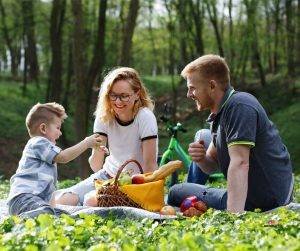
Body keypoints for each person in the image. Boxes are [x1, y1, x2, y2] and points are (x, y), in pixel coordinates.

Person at [168, 54, 294, 213]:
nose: (189, 94)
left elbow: (240, 163)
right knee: (203, 135)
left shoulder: (239, 107)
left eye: (192, 88)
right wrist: (201, 159)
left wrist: (234, 218)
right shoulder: (221, 112)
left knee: (175, 192)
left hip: (265, 200)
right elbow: (211, 165)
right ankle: (198, 199)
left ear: (212, 86)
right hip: (264, 194)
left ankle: (201, 203)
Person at [53, 67, 158, 207]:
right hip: (106, 176)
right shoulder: (104, 117)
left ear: (137, 94)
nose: (118, 102)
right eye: (113, 95)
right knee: (62, 200)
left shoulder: (145, 117)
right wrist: (98, 151)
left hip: (135, 182)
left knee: (90, 201)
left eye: (124, 96)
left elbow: (150, 165)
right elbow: (96, 166)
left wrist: (145, 195)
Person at [7, 102, 102, 217]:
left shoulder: (45, 150)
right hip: (24, 198)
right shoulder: (38, 142)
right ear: (43, 128)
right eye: (57, 128)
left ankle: (39, 218)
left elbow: (50, 196)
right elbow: (64, 157)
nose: (60, 133)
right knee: (47, 214)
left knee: (62, 215)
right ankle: (24, 221)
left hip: (34, 202)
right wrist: (86, 143)